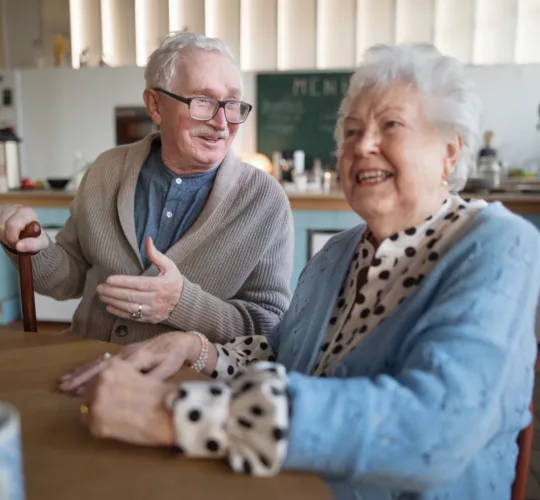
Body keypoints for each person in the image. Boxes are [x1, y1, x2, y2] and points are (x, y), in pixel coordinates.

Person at [63, 43, 540, 500]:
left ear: (450, 152)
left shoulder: (497, 245)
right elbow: (284, 353)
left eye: (391, 125)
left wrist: (181, 416)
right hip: (287, 482)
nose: (363, 145)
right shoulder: (339, 251)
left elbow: (434, 427)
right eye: (351, 131)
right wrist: (197, 346)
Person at [0, 32, 293, 345]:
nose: (223, 123)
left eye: (232, 103)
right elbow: (66, 280)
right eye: (203, 101)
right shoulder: (106, 171)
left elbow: (269, 329)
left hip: (186, 384)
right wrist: (32, 243)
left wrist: (180, 304)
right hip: (84, 365)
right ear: (155, 105)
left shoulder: (265, 202)